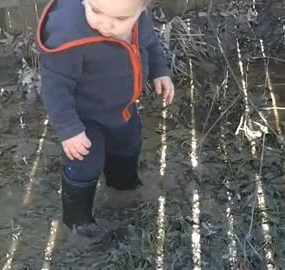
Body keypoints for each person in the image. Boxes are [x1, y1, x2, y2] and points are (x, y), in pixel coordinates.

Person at [36, 0, 174, 238]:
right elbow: (55, 88)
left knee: (128, 144)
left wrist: (160, 71)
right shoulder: (69, 37)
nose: (106, 25)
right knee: (85, 162)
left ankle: (123, 187)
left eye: (120, 20)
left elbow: (150, 44)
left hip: (123, 108)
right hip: (84, 119)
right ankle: (78, 221)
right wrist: (69, 129)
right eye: (96, 11)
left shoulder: (139, 18)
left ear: (142, 9)